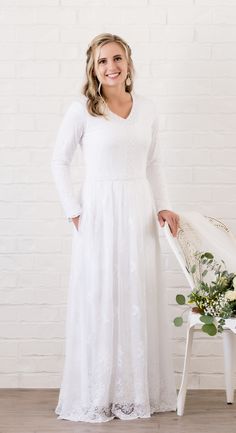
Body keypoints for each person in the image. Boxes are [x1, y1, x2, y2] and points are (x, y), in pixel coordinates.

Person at [51, 32, 180, 423]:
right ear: (93, 67)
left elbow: (154, 162)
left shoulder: (148, 108)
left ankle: (133, 391)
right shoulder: (82, 110)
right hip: (98, 213)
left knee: (136, 294)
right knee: (100, 295)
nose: (111, 67)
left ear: (128, 63)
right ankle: (98, 393)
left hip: (138, 208)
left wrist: (164, 206)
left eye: (118, 58)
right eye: (103, 60)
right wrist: (73, 210)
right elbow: (59, 161)